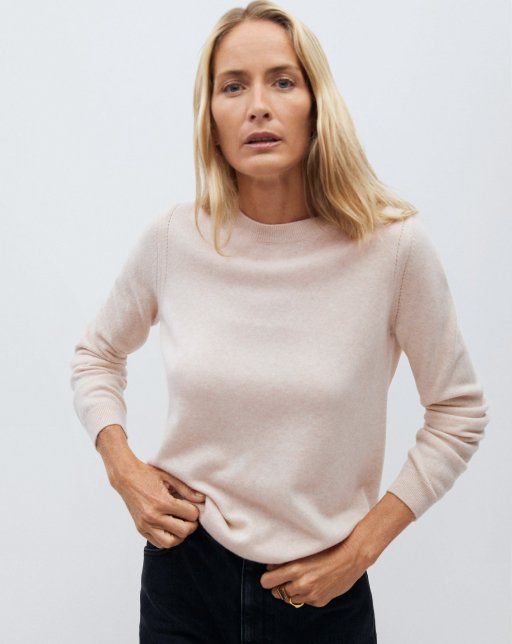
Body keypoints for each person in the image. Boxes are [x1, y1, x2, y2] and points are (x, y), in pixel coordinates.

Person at [70, 1, 490, 642]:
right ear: (211, 120)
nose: (258, 106)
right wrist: (122, 466)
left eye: (283, 81)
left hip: (323, 594)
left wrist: (361, 550)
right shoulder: (173, 239)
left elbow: (457, 411)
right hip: (185, 579)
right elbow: (96, 355)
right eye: (233, 86)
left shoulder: (393, 250)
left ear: (317, 105)